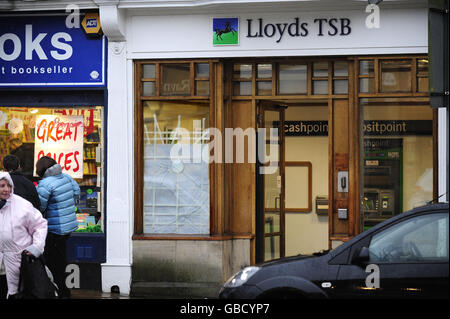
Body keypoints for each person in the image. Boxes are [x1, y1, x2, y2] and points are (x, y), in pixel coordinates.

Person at [35, 156, 80, 299]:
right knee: (61, 258)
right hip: (68, 226)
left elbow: (40, 207)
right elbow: (77, 191)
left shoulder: (45, 184)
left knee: (52, 261)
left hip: (54, 228)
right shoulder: (66, 177)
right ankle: (63, 290)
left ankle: (59, 291)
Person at [0, 171, 48, 299]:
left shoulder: (22, 206)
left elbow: (40, 225)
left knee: (17, 293)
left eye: (8, 186)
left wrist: (36, 247)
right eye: (2, 186)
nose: (6, 189)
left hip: (20, 264)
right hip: (2, 264)